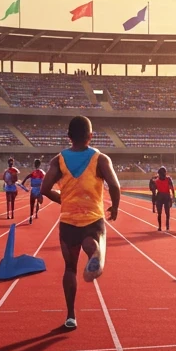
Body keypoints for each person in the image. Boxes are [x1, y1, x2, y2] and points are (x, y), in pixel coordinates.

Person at [41, 116, 121, 330]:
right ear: (90, 136)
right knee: (95, 239)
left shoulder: (58, 160)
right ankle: (95, 251)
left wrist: (63, 199)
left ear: (69, 137)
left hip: (68, 220)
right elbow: (114, 185)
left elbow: (44, 188)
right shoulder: (100, 159)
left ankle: (70, 315)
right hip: (92, 217)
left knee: (69, 268)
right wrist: (115, 207)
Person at [21, 158, 45, 223]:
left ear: (35, 165)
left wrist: (23, 183)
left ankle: (31, 216)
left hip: (33, 190)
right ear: (39, 165)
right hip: (39, 189)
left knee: (32, 204)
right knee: (39, 202)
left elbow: (27, 177)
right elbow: (45, 179)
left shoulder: (33, 173)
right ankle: (36, 211)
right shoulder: (42, 172)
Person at [153, 166, 175, 232]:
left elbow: (154, 191)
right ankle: (167, 226)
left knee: (160, 213)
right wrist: (173, 197)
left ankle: (160, 227)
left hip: (160, 196)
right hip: (166, 196)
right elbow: (172, 188)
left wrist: (154, 200)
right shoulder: (168, 179)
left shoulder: (156, 181)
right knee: (167, 212)